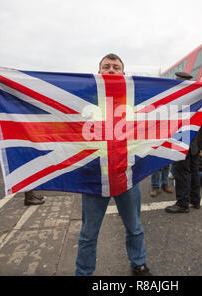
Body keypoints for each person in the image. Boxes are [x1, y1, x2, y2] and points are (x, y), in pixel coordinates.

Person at [74, 53, 151, 276]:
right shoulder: (84, 97)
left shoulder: (135, 98)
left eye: (115, 67)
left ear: (123, 73)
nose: (110, 70)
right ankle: (83, 272)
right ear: (99, 73)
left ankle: (139, 264)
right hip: (94, 176)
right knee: (88, 232)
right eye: (106, 67)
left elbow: (173, 100)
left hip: (126, 174)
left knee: (134, 227)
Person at [0, 71, 45, 206]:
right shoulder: (18, 101)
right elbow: (1, 95)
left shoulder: (28, 101)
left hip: (30, 135)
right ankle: (29, 196)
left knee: (31, 166)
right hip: (23, 136)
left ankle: (30, 194)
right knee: (27, 166)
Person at [165, 72, 202, 213]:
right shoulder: (197, 100)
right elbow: (201, 124)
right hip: (194, 143)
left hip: (182, 141)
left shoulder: (178, 100)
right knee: (194, 172)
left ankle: (182, 203)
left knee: (182, 173)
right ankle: (195, 200)